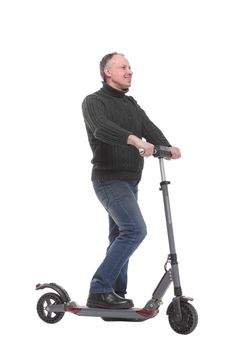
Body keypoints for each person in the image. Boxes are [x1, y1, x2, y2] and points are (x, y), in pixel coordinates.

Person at [82, 52, 181, 309]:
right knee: (134, 230)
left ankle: (114, 295)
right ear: (108, 72)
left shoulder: (131, 104)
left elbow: (148, 127)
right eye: (123, 67)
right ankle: (99, 289)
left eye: (130, 67)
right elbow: (101, 128)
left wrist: (167, 147)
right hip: (108, 179)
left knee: (119, 236)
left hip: (129, 181)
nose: (129, 71)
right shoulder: (93, 102)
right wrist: (134, 140)